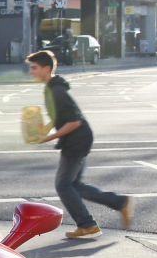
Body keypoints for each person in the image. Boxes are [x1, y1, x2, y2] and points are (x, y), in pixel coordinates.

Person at [26, 50, 133, 240]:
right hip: (78, 139)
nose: (31, 72)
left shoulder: (56, 91)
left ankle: (87, 224)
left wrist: (46, 138)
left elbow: (74, 122)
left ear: (47, 68)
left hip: (77, 140)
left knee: (63, 185)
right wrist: (45, 130)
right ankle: (119, 202)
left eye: (34, 68)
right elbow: (61, 117)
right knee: (75, 185)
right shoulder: (51, 88)